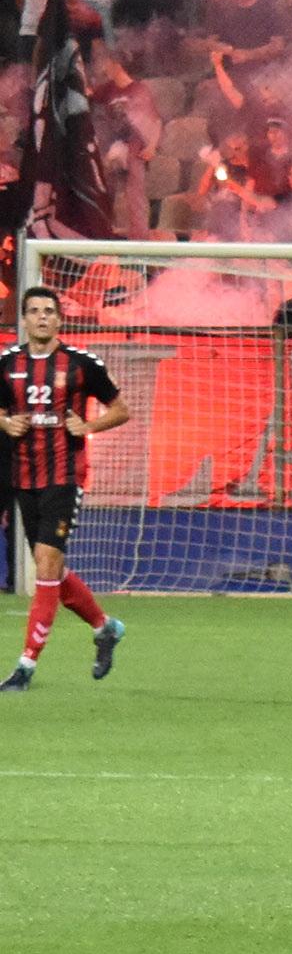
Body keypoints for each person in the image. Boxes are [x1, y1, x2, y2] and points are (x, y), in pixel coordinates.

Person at [1, 290, 131, 692]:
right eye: (34, 312)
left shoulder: (81, 365)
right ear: (23, 320)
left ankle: (25, 666)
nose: (42, 318)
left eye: (49, 312)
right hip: (24, 478)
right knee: (50, 569)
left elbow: (121, 409)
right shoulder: (7, 365)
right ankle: (105, 627)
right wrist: (4, 424)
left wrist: (89, 427)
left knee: (45, 563)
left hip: (65, 476)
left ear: (60, 320)